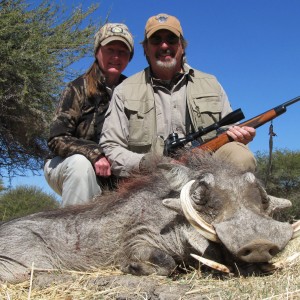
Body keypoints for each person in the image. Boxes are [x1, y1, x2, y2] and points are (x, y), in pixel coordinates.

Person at [99, 13, 256, 178]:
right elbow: (111, 147)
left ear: (182, 45)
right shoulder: (125, 90)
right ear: (145, 48)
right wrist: (150, 163)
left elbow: (228, 130)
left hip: (207, 172)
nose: (164, 45)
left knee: (241, 157)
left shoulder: (210, 83)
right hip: (150, 178)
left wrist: (240, 137)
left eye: (172, 39)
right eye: (156, 40)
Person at [44, 23, 134, 207]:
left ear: (129, 57)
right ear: (97, 52)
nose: (116, 57)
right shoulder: (77, 88)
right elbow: (57, 138)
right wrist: (95, 154)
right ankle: (69, 233)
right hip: (67, 166)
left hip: (111, 175)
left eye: (122, 51)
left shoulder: (133, 91)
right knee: (80, 165)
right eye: (110, 49)